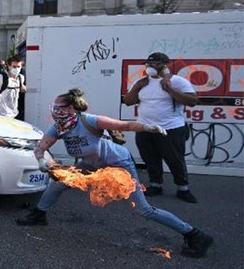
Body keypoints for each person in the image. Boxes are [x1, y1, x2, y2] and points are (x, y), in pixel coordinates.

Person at [16, 88, 213, 258]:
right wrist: (41, 160)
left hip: (119, 165)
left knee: (143, 209)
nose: (56, 111)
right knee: (58, 184)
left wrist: (147, 127)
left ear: (71, 109)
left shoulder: (89, 121)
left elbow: (123, 125)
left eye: (60, 107)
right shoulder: (58, 127)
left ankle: (194, 235)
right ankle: (39, 214)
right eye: (55, 107)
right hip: (91, 165)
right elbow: (41, 147)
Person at [123, 52, 199, 203]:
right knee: (150, 158)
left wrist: (170, 88)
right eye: (148, 64)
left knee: (175, 159)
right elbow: (128, 101)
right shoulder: (141, 82)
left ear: (165, 65)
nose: (151, 67)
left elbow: (192, 101)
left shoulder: (177, 81)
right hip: (145, 127)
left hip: (171, 128)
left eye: (155, 64)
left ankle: (183, 188)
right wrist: (136, 87)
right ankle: (155, 185)